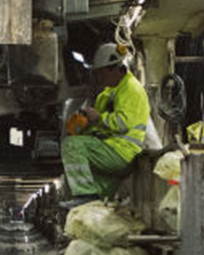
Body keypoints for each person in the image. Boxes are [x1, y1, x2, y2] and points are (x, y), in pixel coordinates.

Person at [62, 43, 150, 199]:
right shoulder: (108, 93)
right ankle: (90, 204)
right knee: (97, 204)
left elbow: (123, 123)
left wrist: (98, 117)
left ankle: (84, 196)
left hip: (122, 153)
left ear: (114, 68)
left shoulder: (131, 89)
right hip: (110, 150)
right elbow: (100, 125)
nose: (98, 78)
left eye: (100, 73)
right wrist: (83, 123)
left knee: (71, 146)